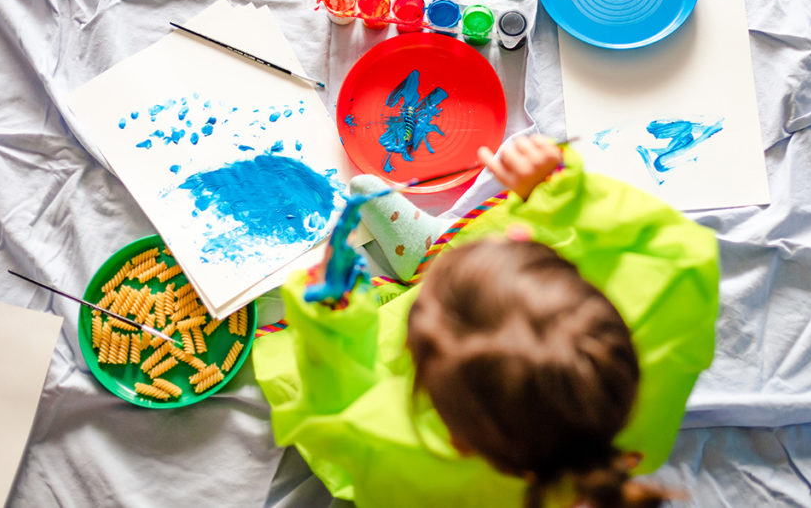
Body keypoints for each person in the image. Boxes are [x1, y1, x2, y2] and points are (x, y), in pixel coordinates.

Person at [253, 135, 719, 508]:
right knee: (513, 238)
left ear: (453, 434)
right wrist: (564, 193)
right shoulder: (661, 322)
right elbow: (680, 252)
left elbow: (340, 416)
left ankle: (403, 287)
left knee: (304, 359)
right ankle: (434, 260)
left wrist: (330, 324)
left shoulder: (413, 468)